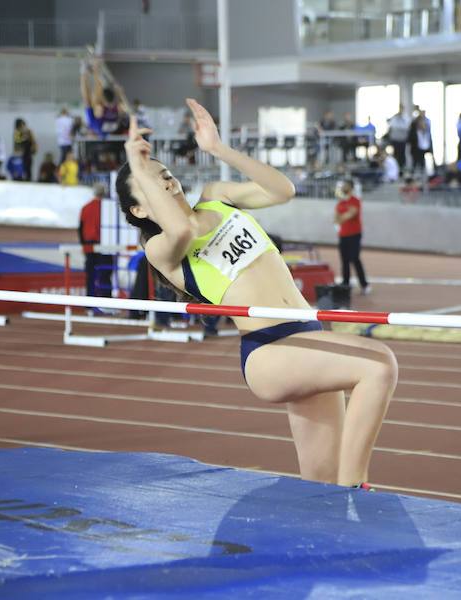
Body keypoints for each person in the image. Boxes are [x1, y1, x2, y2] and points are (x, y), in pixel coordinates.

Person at [116, 99, 397, 488]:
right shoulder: (163, 249)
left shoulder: (216, 195)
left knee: (320, 480)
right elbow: (180, 229)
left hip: (310, 334)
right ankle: (359, 487)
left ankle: (336, 506)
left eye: (165, 173)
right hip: (270, 351)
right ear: (140, 211)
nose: (166, 181)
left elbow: (282, 190)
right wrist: (136, 162)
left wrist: (218, 149)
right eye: (152, 182)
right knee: (379, 365)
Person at [334, 179, 370, 295]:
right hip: (343, 235)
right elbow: (336, 219)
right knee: (344, 260)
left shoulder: (355, 201)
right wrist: (342, 216)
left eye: (345, 185)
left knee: (355, 258)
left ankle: (364, 284)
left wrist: (342, 216)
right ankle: (346, 283)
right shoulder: (340, 203)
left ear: (350, 187)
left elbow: (350, 214)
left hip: (354, 234)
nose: (343, 187)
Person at [77, 183, 112, 298]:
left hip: (89, 245)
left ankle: (89, 303)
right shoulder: (107, 208)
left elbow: (80, 228)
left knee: (90, 275)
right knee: (105, 274)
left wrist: (83, 245)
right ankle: (106, 301)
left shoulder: (85, 207)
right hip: (104, 245)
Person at [386, 105, 410, 173]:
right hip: (395, 140)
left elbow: (406, 127)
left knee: (402, 155)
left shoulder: (405, 118)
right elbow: (392, 125)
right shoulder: (394, 117)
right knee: (396, 154)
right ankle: (396, 169)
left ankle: (402, 168)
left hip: (402, 140)